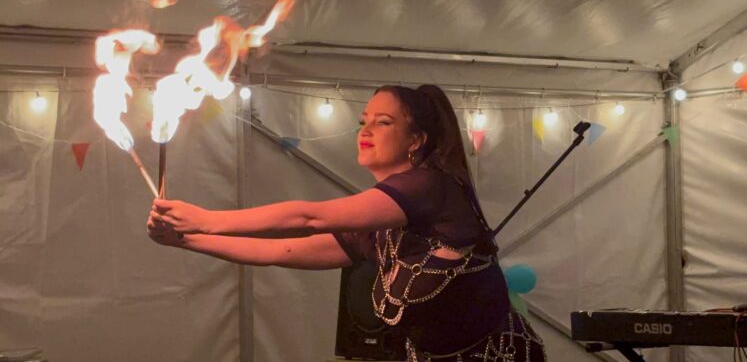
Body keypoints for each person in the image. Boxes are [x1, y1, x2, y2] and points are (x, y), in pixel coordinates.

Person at [147, 84, 546, 361]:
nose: (365, 130)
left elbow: (308, 217)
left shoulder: (430, 186)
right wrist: (187, 238)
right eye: (363, 120)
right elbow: (280, 250)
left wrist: (205, 219)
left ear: (416, 140)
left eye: (383, 122)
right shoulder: (378, 225)